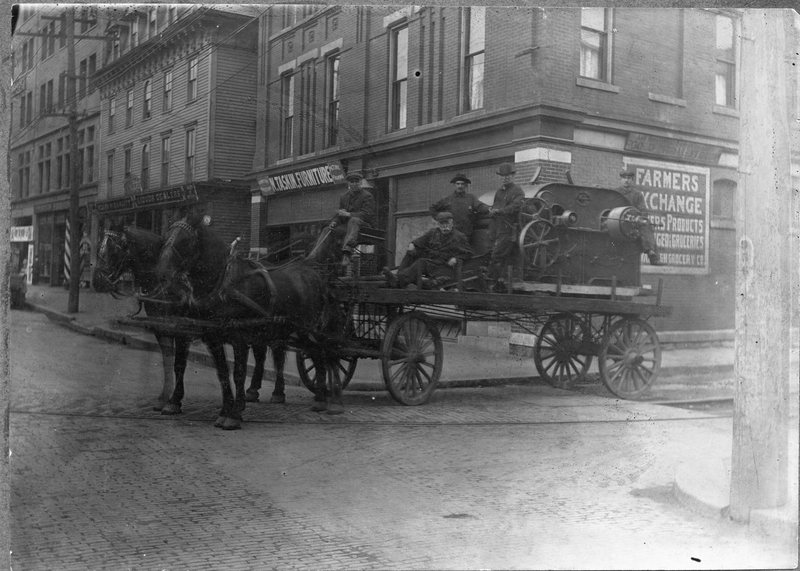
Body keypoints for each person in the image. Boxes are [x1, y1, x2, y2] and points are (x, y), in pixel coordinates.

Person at [385, 212, 472, 289]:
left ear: (452, 223)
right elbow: (420, 241)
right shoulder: (433, 232)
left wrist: (456, 259)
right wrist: (413, 245)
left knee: (422, 262)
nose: (445, 226)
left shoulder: (459, 237)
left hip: (443, 267)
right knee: (411, 252)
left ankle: (398, 280)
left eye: (447, 223)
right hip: (432, 262)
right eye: (442, 223)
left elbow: (468, 253)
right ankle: (398, 277)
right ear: (438, 224)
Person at [487, 162, 525, 291]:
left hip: (510, 229)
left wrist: (500, 211)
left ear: (513, 176)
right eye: (503, 176)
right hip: (498, 228)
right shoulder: (499, 192)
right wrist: (491, 210)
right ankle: (499, 282)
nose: (505, 178)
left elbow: (516, 206)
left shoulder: (517, 190)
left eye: (508, 175)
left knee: (498, 254)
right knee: (498, 254)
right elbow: (495, 206)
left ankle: (490, 282)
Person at [328, 172, 376, 266]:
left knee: (354, 220)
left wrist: (349, 214)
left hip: (364, 226)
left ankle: (347, 252)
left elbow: (367, 215)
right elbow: (340, 215)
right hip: (348, 227)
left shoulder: (367, 196)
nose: (354, 184)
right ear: (348, 183)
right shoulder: (344, 197)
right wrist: (334, 222)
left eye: (356, 181)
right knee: (328, 229)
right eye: (351, 182)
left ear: (361, 182)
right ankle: (323, 254)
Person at [618, 167, 660, 265]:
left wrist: (640, 217)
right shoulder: (615, 192)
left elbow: (643, 210)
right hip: (617, 221)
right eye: (624, 178)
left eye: (629, 178)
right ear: (621, 179)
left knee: (646, 224)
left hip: (633, 222)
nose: (626, 180)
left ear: (632, 180)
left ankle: (651, 253)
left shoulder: (637, 194)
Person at [429, 174, 489, 240]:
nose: (460, 186)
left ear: (466, 185)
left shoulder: (471, 198)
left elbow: (480, 206)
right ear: (454, 185)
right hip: (451, 233)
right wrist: (441, 219)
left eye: (462, 184)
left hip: (466, 233)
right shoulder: (448, 199)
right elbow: (432, 208)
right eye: (458, 184)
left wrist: (489, 209)